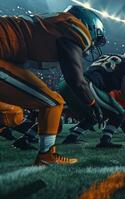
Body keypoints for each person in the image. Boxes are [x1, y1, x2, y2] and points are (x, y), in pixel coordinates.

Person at [0, 5, 106, 165]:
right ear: (88, 26)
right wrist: (92, 103)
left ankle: (39, 149)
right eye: (95, 39)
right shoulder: (73, 27)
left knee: (18, 112)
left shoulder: (51, 25)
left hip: (5, 54)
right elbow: (76, 80)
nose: (92, 46)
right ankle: (46, 155)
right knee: (53, 103)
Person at [61, 49, 125, 148]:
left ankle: (72, 137)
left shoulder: (109, 56)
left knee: (96, 114)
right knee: (118, 113)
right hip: (87, 86)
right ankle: (105, 140)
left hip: (68, 85)